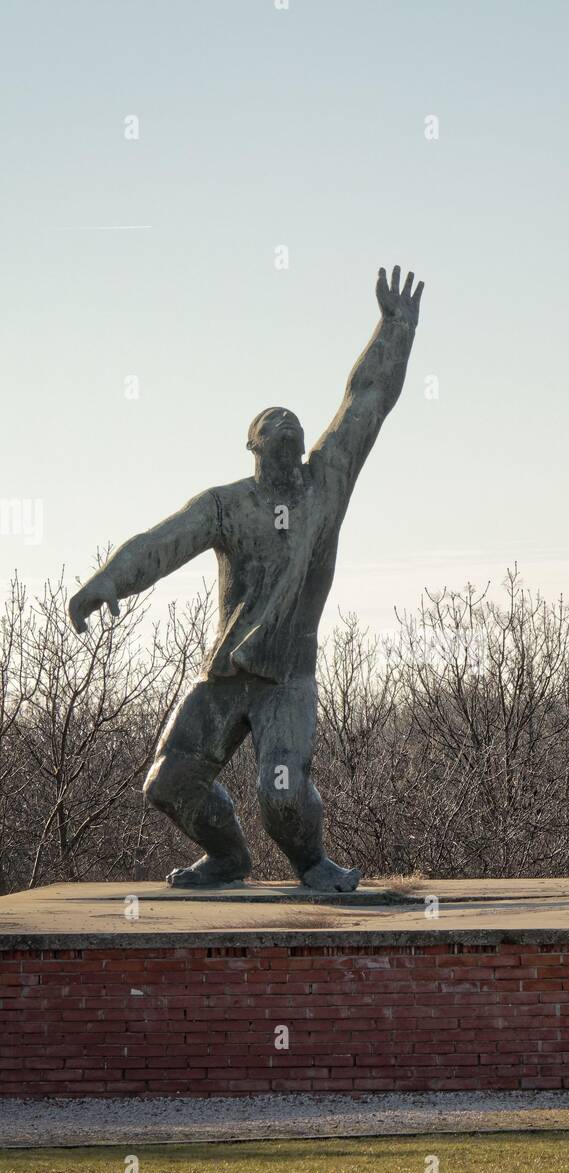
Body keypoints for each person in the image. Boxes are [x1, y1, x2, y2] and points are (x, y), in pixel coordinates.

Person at [67, 267, 423, 892]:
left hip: (287, 679)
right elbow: (163, 542)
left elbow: (366, 399)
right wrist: (110, 580)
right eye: (272, 427)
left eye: (295, 429)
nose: (286, 431)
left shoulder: (324, 487)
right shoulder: (226, 505)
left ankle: (315, 865)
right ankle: (228, 858)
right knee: (169, 783)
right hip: (229, 673)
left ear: (304, 444)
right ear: (253, 447)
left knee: (280, 795)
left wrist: (395, 328)